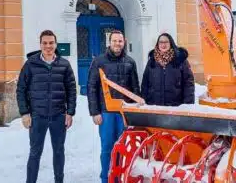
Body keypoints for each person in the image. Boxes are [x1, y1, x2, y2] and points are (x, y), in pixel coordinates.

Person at [16, 30, 77, 183]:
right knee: (35, 153)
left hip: (58, 116)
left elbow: (71, 89)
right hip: (37, 116)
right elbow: (21, 88)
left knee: (58, 151)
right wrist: (24, 113)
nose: (48, 46)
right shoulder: (31, 64)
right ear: (40, 44)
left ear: (55, 44)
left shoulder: (64, 64)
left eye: (51, 43)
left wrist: (70, 112)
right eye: (45, 43)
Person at [87, 29, 140, 183]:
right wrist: (94, 112)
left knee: (123, 147)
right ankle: (106, 178)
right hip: (106, 112)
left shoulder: (130, 62)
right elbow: (91, 87)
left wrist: (136, 112)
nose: (117, 43)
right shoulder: (99, 61)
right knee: (107, 148)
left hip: (124, 113)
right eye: (115, 41)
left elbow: (135, 88)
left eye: (120, 41)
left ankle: (121, 177)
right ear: (109, 42)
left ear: (124, 42)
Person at [141, 33, 195, 106]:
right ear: (157, 44)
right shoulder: (152, 60)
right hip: (154, 106)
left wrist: (188, 104)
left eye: (166, 42)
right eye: (161, 42)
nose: (163, 44)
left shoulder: (180, 59)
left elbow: (188, 83)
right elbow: (145, 83)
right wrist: (143, 100)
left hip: (175, 106)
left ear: (171, 43)